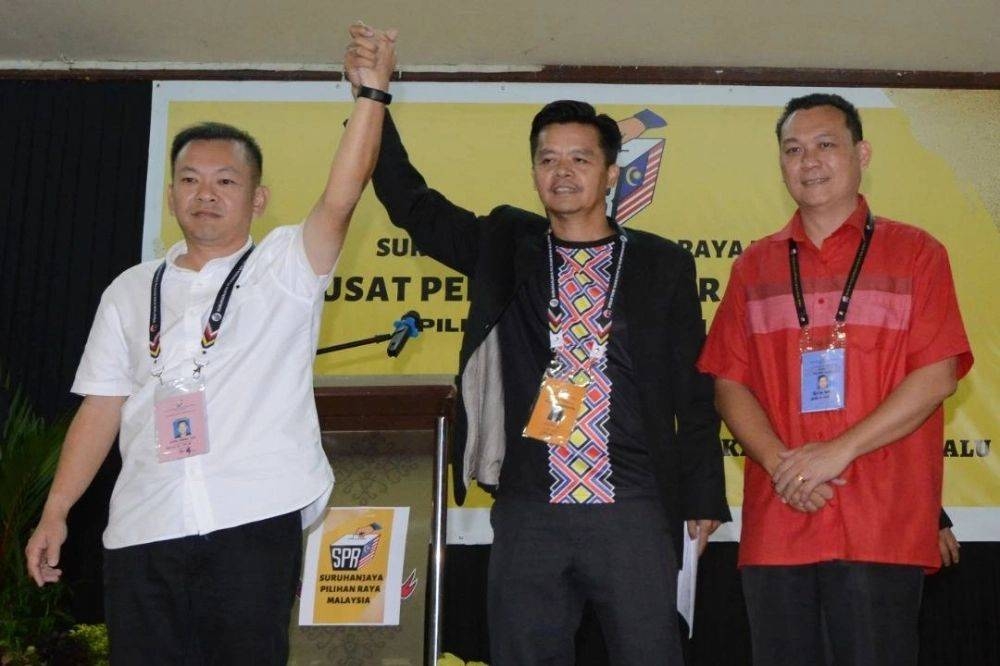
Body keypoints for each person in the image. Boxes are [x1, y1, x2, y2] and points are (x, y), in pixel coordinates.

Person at [346, 27, 729, 665]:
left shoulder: (662, 264)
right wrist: (372, 97)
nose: (562, 172)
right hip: (530, 506)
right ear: (533, 172)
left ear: (610, 173)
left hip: (632, 505)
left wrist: (702, 497)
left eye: (580, 159)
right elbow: (412, 204)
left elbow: (696, 386)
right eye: (548, 159)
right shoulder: (507, 243)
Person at [24, 24, 397, 665]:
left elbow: (342, 195)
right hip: (145, 524)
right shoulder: (129, 289)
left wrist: (372, 96)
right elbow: (100, 407)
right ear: (171, 195)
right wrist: (56, 508)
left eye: (225, 182)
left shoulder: (286, 268)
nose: (205, 194)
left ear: (258, 200)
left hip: (253, 515)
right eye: (190, 180)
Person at [697, 93, 973, 666]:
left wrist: (834, 454)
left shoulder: (917, 253)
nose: (809, 161)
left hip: (882, 521)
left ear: (862, 153)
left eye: (826, 145)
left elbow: (937, 374)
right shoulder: (754, 265)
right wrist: (782, 465)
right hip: (780, 521)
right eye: (793, 149)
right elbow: (728, 383)